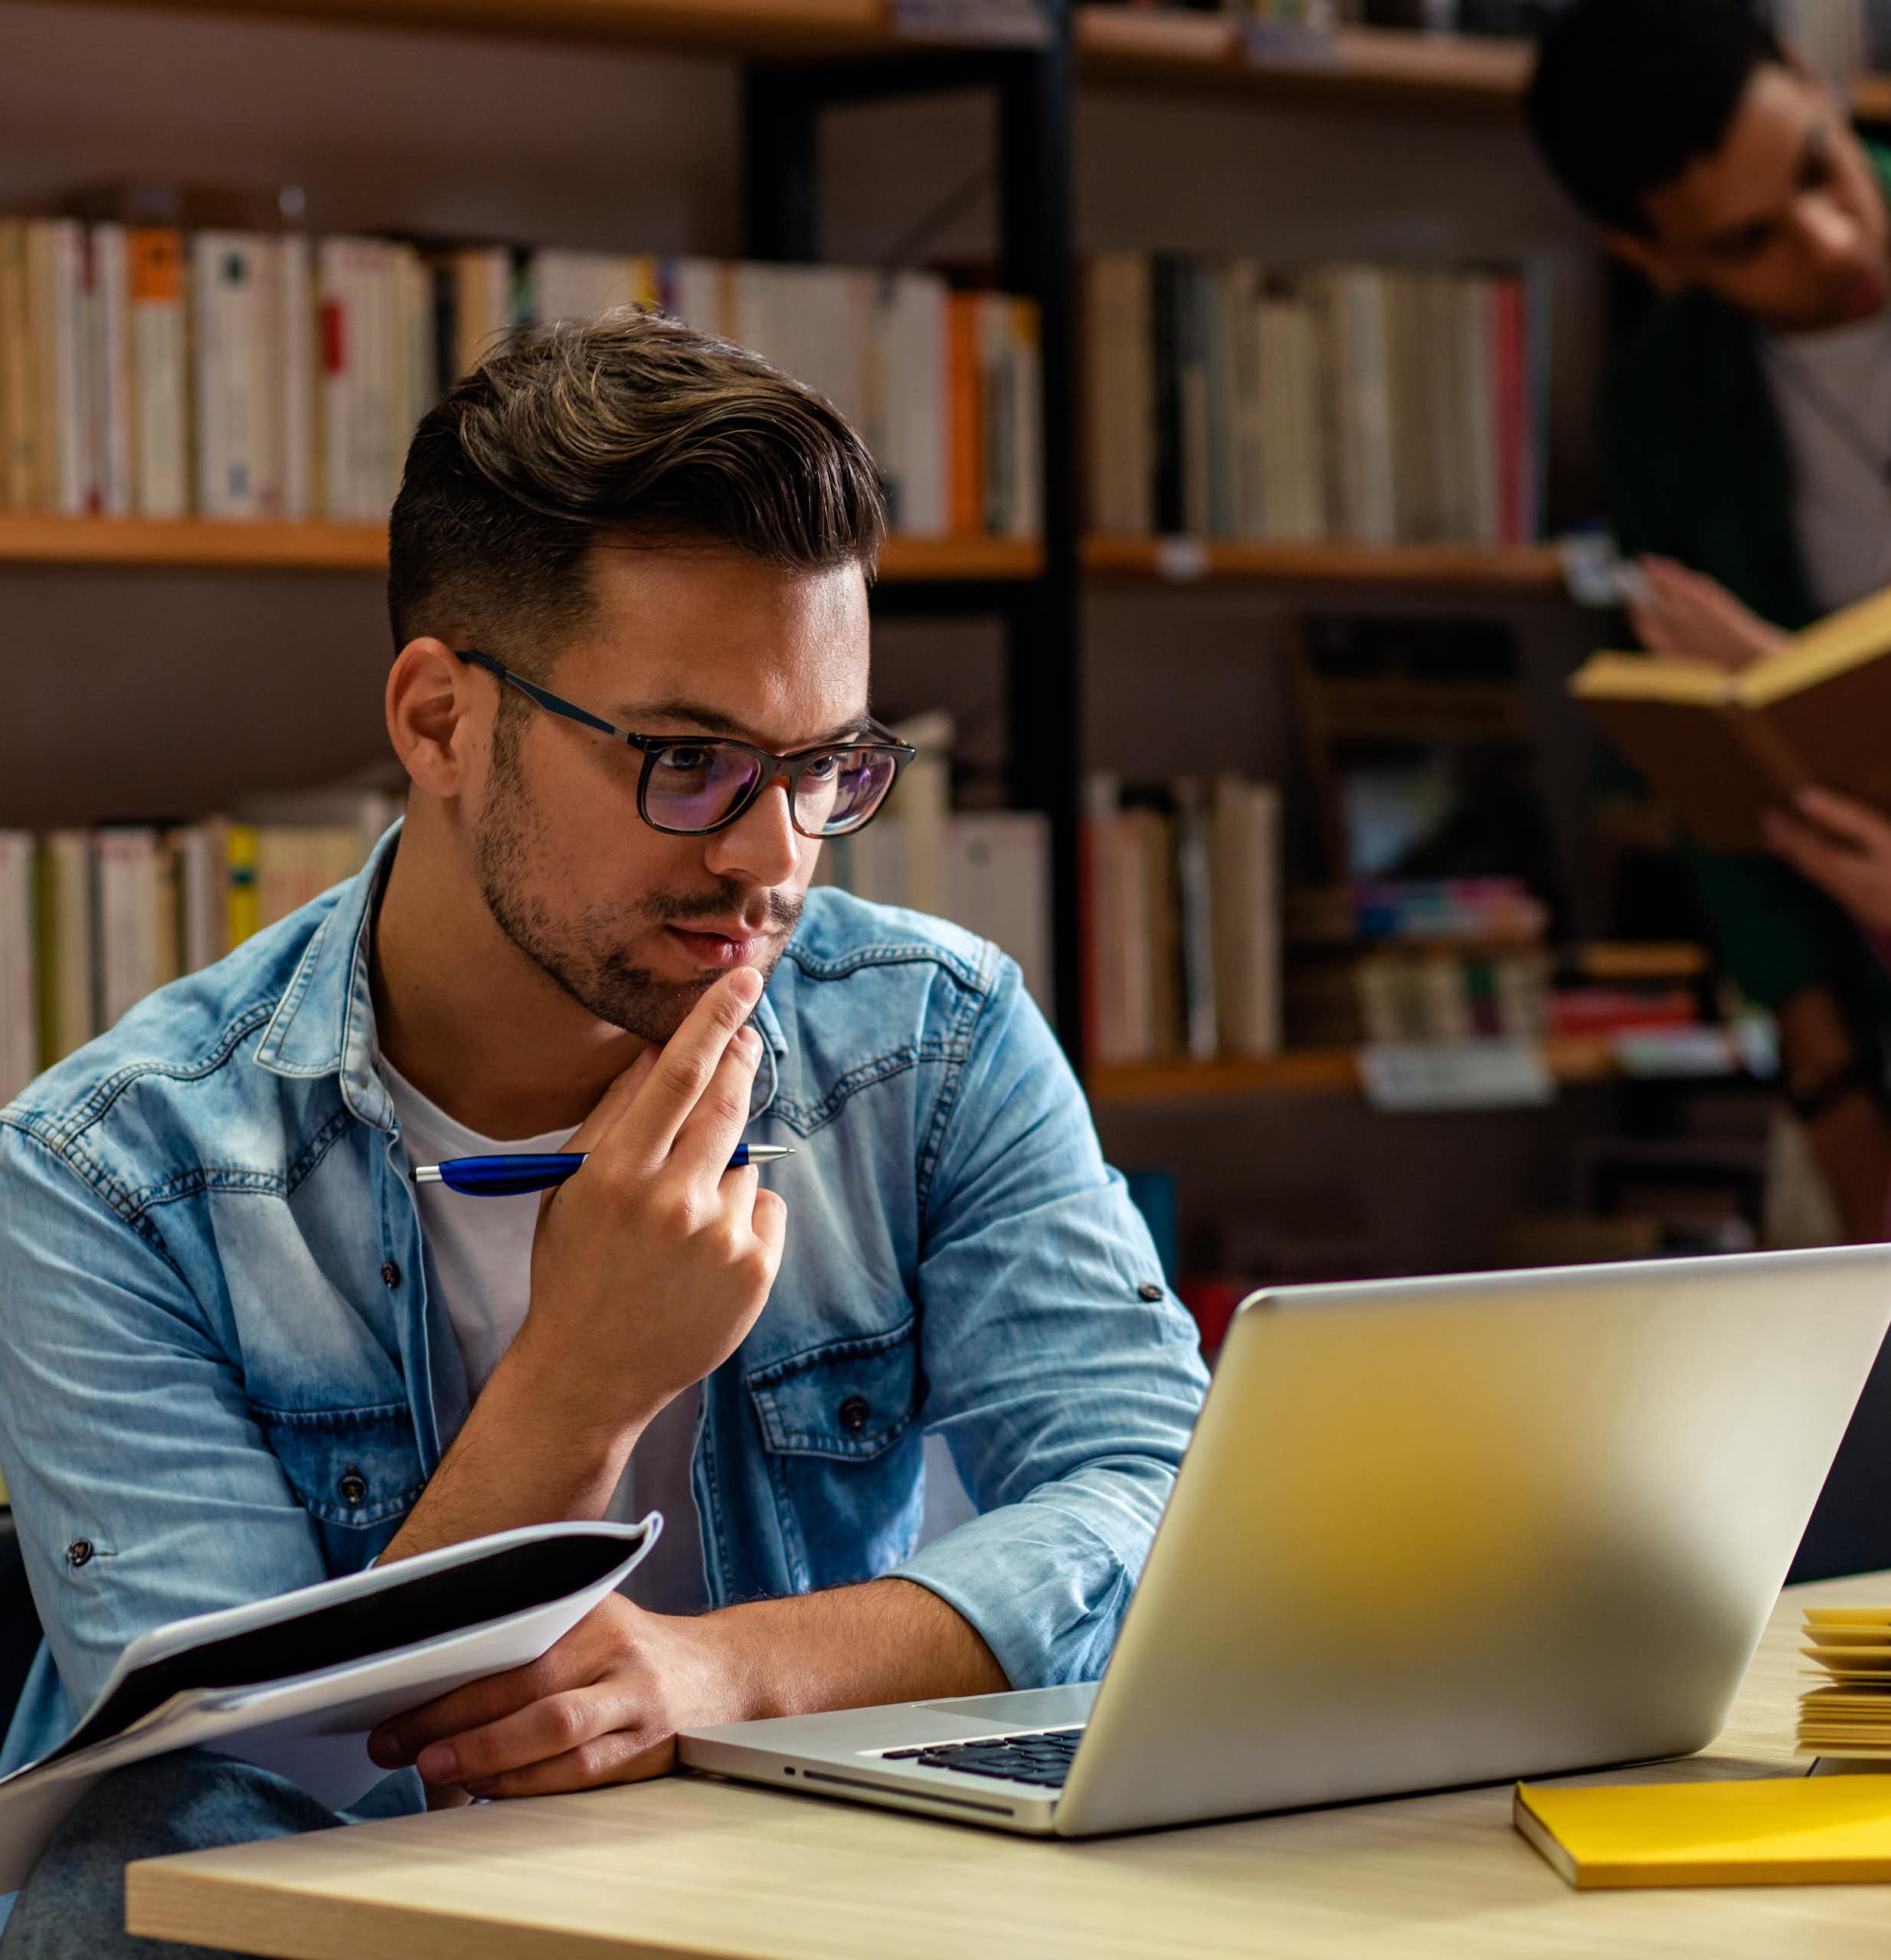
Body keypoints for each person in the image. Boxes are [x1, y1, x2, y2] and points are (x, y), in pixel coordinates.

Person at [0, 309, 1209, 1955]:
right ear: (437, 721)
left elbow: (1154, 1493)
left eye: (824, 765)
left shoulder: (930, 1039)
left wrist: (720, 1670)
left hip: (799, 1900)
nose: (773, 860)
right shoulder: (107, 1173)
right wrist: (580, 1378)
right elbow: (225, 1800)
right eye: (690, 761)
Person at [1526, 0, 1891, 1248]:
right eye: (1749, 241)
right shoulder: (1672, 406)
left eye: (1822, 168)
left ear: (1820, 84)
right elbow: (1729, 791)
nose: (1831, 242)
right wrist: (1831, 1098)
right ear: (1649, 251)